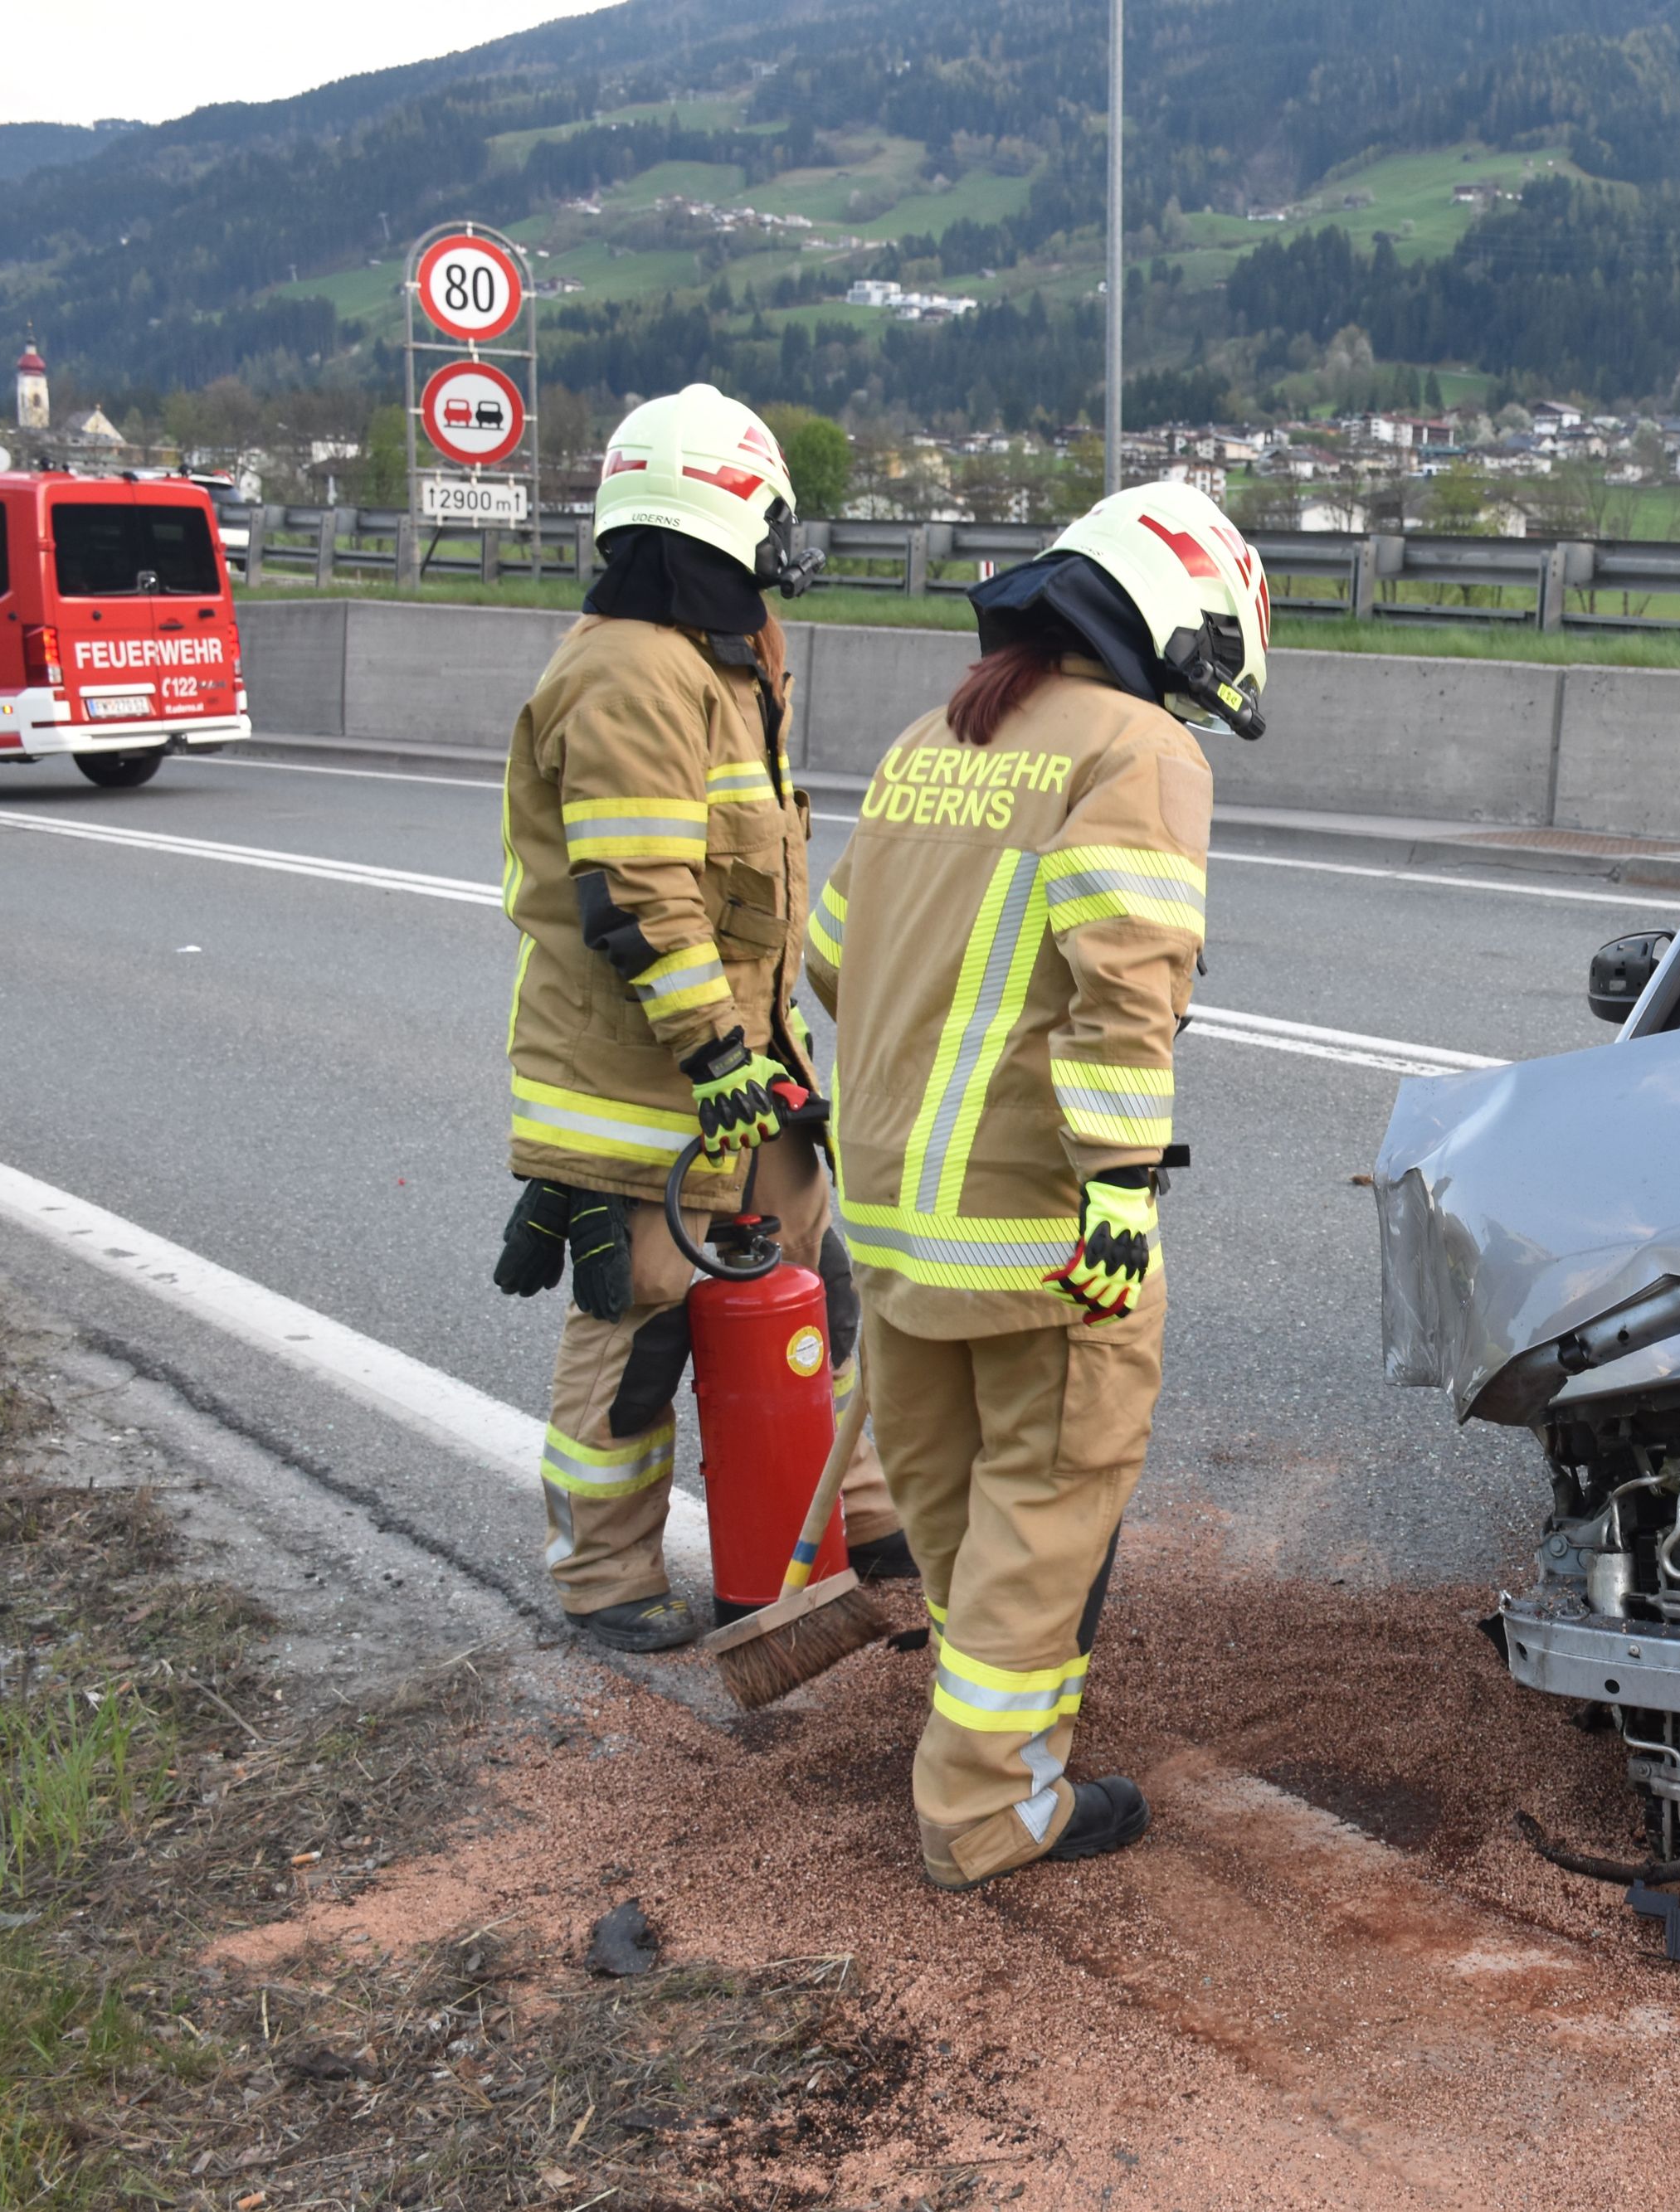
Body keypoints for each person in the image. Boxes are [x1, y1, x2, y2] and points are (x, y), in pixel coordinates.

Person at [805, 479, 1267, 1889]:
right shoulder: (1136, 749)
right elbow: (1125, 987)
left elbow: (832, 957)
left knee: (954, 1512)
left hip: (895, 1219)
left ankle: (991, 1734)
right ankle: (990, 1807)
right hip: (1038, 1226)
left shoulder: (933, 739)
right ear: (1178, 619)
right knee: (1047, 1502)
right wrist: (1119, 1186)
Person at [493, 382, 912, 1651]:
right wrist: (716, 1052)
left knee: (816, 1302)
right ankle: (604, 1575)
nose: (785, 542)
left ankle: (856, 1518)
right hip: (651, 1088)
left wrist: (756, 1059)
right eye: (772, 515)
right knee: (639, 1334)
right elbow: (640, 893)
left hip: (746, 1073)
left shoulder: (723, 661)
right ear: (726, 514)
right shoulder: (629, 672)